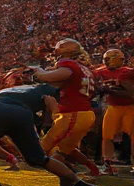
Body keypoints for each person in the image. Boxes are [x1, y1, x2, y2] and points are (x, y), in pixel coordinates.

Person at [0, 79, 100, 186]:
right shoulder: (48, 90)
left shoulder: (35, 89)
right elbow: (51, 105)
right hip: (22, 114)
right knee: (38, 159)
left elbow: (52, 104)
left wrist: (55, 113)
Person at [33, 38, 102, 178]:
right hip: (83, 113)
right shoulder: (84, 68)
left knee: (44, 148)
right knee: (66, 148)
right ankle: (92, 168)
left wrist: (38, 71)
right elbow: (62, 83)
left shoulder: (69, 65)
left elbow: (48, 77)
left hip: (73, 114)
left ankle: (69, 179)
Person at [94, 48, 134, 174]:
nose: (105, 61)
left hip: (129, 107)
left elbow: (130, 93)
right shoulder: (100, 71)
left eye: (108, 59)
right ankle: (108, 165)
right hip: (113, 107)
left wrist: (108, 90)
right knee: (107, 136)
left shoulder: (127, 72)